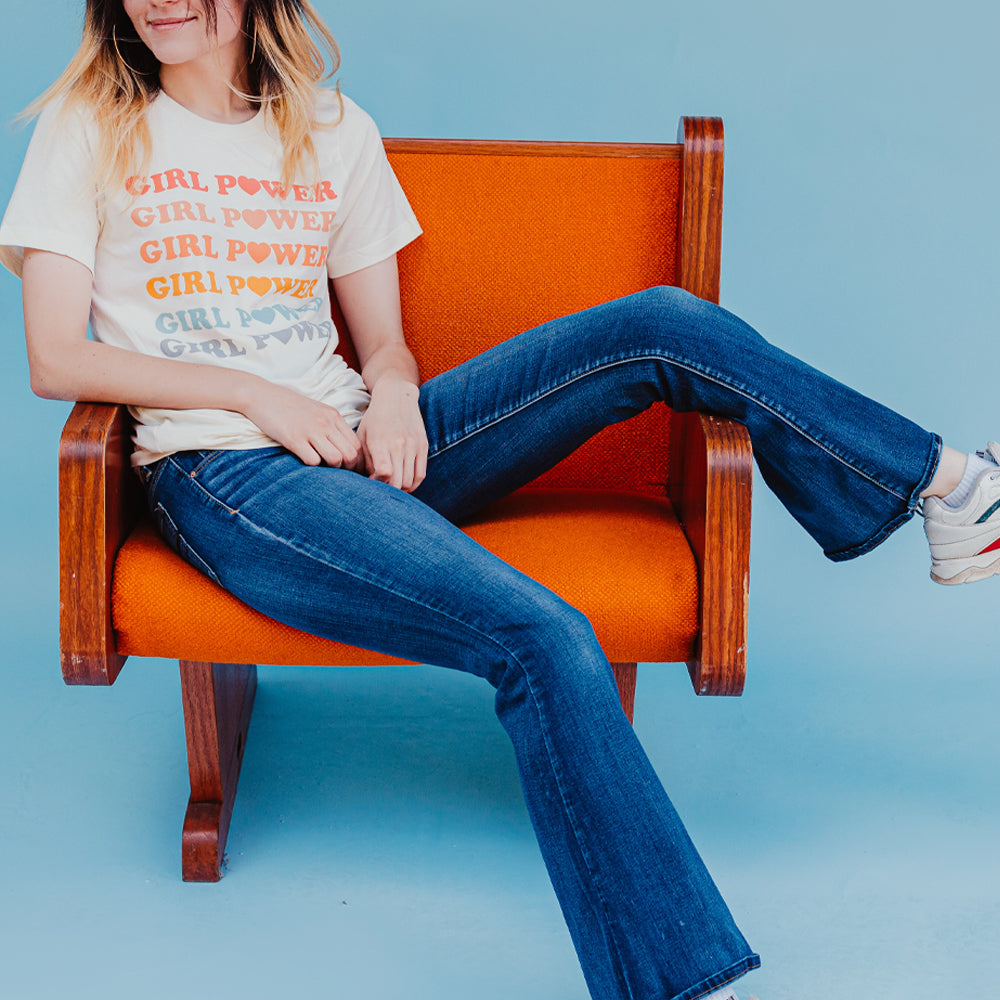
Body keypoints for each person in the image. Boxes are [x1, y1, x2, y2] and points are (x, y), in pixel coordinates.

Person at [2, 2, 998, 998]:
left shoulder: (331, 127)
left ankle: (945, 484)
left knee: (660, 323)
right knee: (542, 636)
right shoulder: (90, 125)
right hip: (232, 475)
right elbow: (56, 356)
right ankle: (672, 981)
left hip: (367, 442)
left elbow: (383, 345)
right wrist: (252, 394)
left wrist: (396, 397)